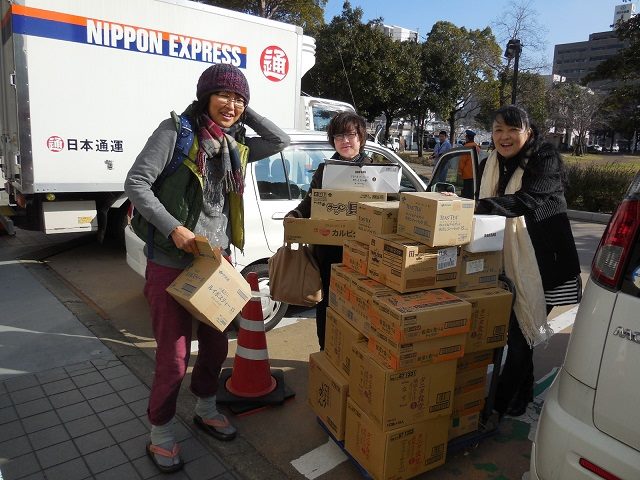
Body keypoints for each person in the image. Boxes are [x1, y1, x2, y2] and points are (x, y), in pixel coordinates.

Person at [124, 63, 289, 473]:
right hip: (170, 260)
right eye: (223, 95)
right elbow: (136, 183)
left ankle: (205, 406)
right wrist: (173, 228)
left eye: (239, 98)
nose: (231, 105)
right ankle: (160, 433)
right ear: (204, 97)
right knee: (175, 357)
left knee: (217, 345)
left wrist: (244, 110)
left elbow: (280, 139)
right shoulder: (175, 133)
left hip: (216, 263)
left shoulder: (239, 144)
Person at [475, 105, 580, 426]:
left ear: (529, 132)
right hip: (509, 261)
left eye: (512, 129)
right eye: (497, 130)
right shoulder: (491, 162)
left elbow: (527, 200)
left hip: (547, 266)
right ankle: (520, 398)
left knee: (520, 336)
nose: (504, 137)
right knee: (519, 334)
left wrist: (474, 208)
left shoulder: (544, 160)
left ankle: (498, 405)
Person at [285, 111, 371, 350]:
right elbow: (310, 201)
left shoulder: (375, 172)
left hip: (363, 252)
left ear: (361, 137)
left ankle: (355, 353)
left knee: (359, 304)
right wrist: (295, 215)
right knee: (327, 304)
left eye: (351, 135)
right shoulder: (325, 170)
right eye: (339, 135)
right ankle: (326, 351)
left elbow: (393, 203)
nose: (345, 140)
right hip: (328, 252)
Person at [458, 129, 481, 199]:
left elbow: (462, 161)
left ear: (467, 138)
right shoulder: (477, 147)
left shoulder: (466, 148)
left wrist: (459, 172)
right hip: (476, 173)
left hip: (467, 174)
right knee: (473, 192)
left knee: (466, 194)